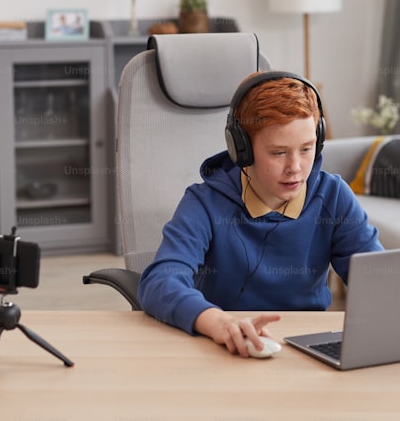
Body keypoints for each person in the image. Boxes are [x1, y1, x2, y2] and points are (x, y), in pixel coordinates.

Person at [137, 71, 383, 357]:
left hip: (308, 350)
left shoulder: (333, 196)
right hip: (225, 347)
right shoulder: (204, 203)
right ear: (242, 149)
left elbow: (378, 279)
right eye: (278, 153)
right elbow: (160, 281)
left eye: (306, 149)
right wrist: (217, 321)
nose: (296, 167)